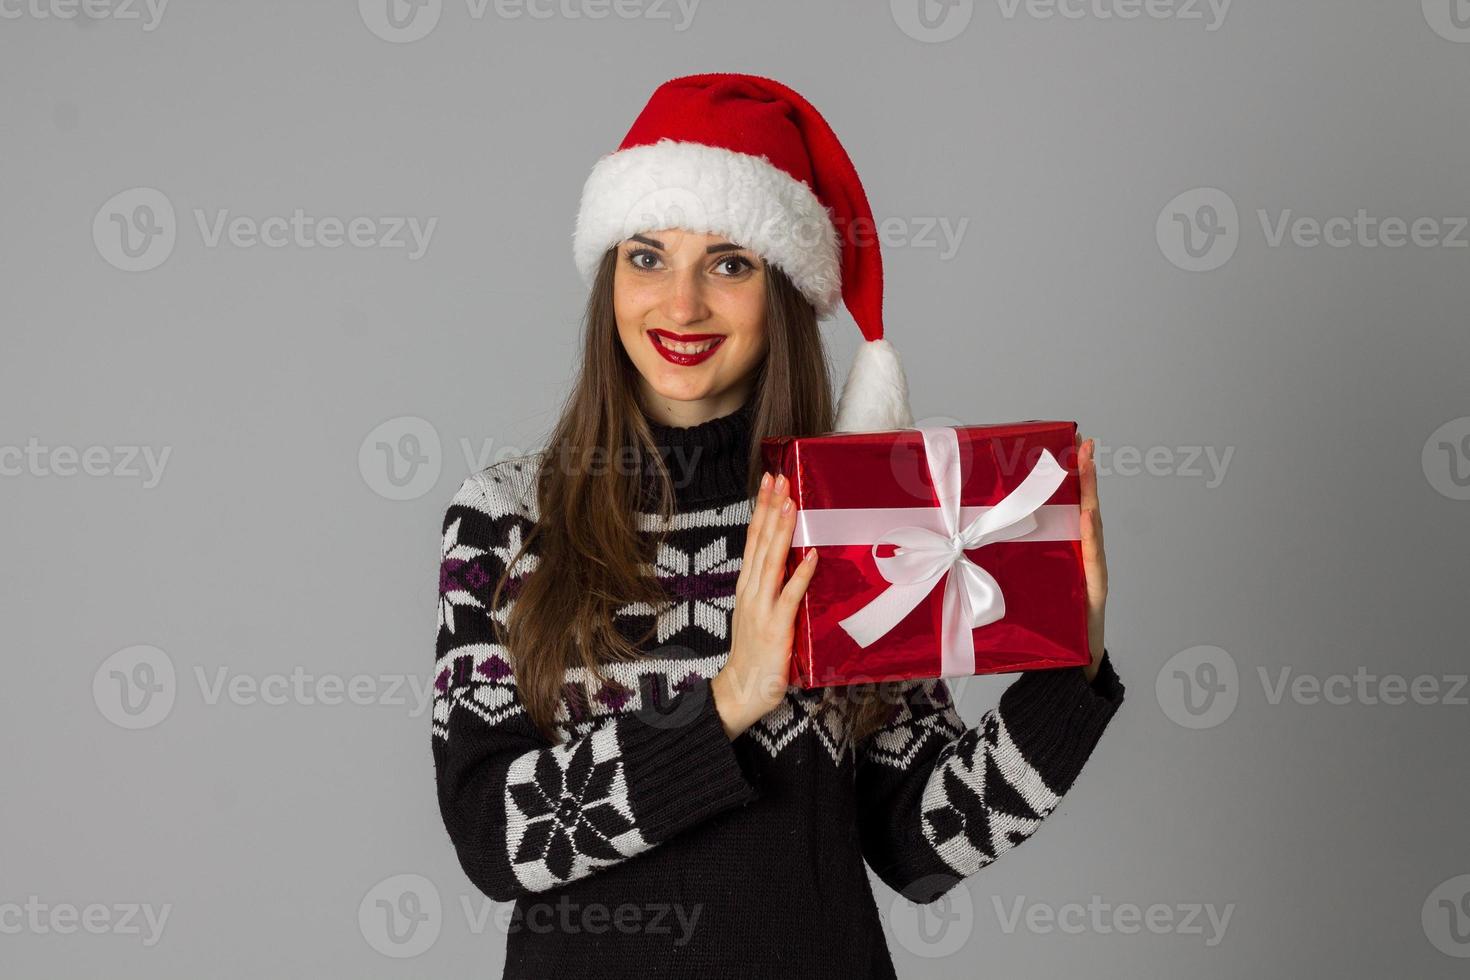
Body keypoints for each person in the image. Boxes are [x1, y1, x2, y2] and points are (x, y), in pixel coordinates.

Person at [431, 72, 1125, 980]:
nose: (680, 306)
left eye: (728, 264)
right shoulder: (506, 520)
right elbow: (495, 837)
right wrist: (726, 703)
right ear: (608, 278)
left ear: (783, 292)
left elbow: (919, 844)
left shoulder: (851, 516)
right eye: (647, 257)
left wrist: (1070, 672)